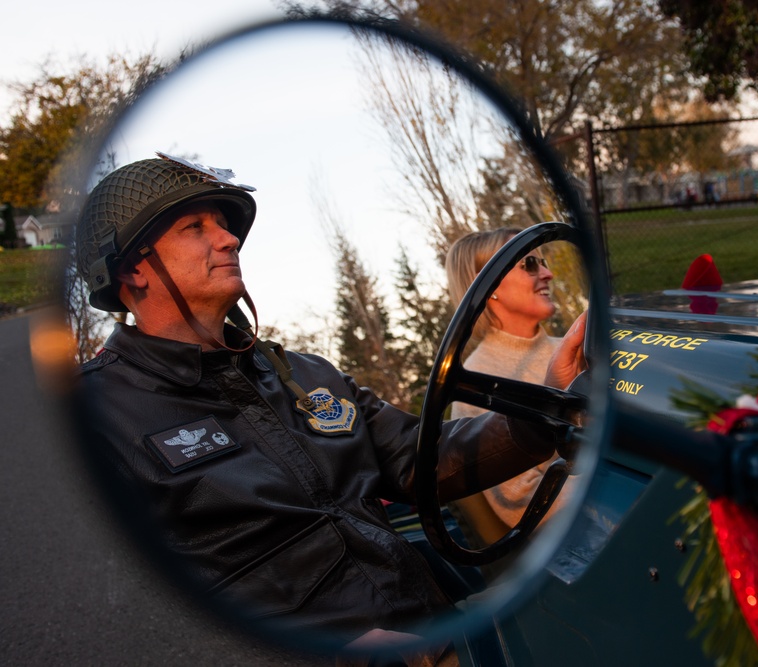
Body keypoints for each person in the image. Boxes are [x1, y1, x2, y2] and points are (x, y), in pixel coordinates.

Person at [72, 154, 587, 660]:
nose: (228, 239)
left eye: (225, 225)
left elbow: (418, 458)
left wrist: (546, 407)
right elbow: (129, 607)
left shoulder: (307, 373)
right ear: (132, 270)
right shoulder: (102, 413)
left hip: (437, 630)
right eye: (194, 227)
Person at [444, 228, 580, 546]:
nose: (547, 273)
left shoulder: (575, 349)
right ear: (488, 284)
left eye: (543, 262)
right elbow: (521, 504)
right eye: (530, 264)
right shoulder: (477, 383)